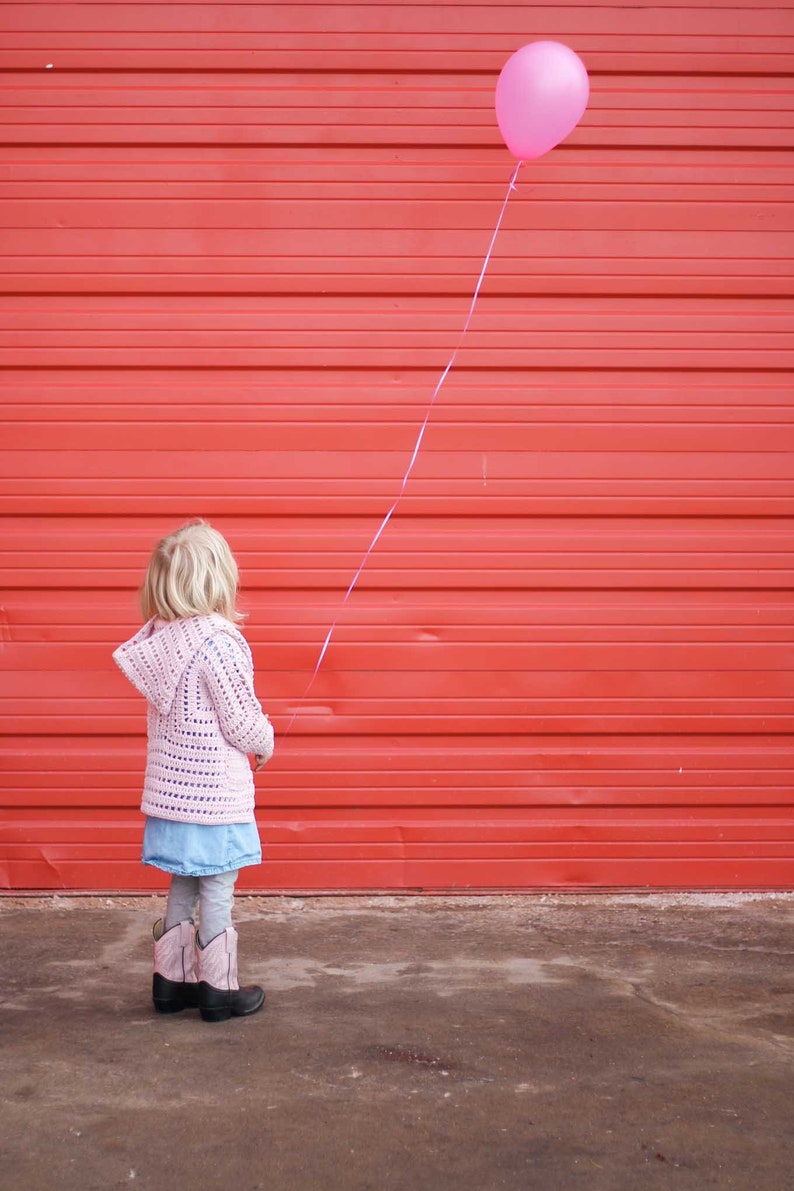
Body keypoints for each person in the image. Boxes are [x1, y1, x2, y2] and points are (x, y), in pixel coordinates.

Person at [113, 520, 274, 1022]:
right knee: (218, 886)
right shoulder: (219, 642)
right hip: (213, 798)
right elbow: (240, 719)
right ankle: (217, 990)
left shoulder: (162, 641)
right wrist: (265, 740)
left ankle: (170, 983)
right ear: (219, 579)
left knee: (183, 882)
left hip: (172, 795)